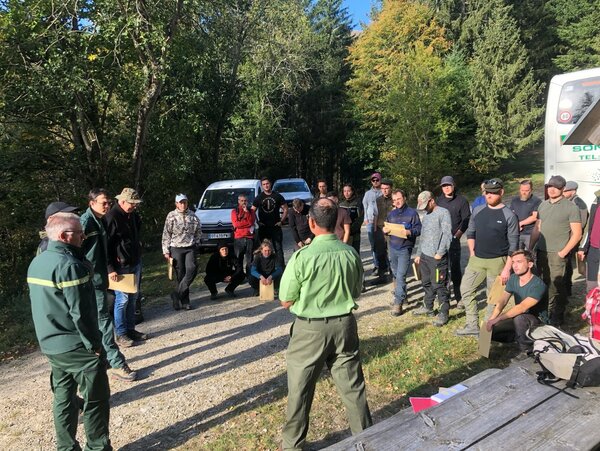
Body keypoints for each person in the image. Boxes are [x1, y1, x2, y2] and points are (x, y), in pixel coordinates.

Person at [279, 198, 372, 450]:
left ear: (311, 223)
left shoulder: (302, 257)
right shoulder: (350, 253)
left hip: (310, 328)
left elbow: (286, 300)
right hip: (344, 325)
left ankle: (292, 445)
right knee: (353, 387)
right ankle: (368, 439)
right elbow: (356, 291)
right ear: (335, 222)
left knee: (300, 388)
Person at [27, 213, 112, 451]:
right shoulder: (70, 266)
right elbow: (82, 314)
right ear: (66, 236)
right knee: (96, 398)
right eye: (80, 233)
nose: (84, 237)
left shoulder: (38, 262)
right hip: (75, 345)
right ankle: (97, 447)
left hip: (51, 345)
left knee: (63, 398)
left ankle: (65, 447)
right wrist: (96, 345)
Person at [81, 189, 137, 382]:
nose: (107, 206)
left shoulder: (101, 220)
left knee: (100, 320)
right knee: (104, 322)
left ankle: (103, 359)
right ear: (92, 203)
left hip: (101, 280)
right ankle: (116, 363)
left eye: (108, 202)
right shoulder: (85, 223)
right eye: (103, 202)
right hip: (91, 282)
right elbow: (76, 253)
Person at [455, 178, 519, 336]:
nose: (489, 195)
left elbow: (514, 246)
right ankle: (472, 325)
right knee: (466, 289)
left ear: (501, 193)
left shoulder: (509, 215)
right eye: (487, 192)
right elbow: (471, 232)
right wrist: (471, 252)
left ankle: (486, 330)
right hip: (477, 259)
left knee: (493, 298)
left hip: (498, 262)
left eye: (493, 192)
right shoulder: (478, 210)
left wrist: (507, 269)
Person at [529, 175, 582, 326]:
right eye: (549, 186)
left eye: (556, 187)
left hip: (558, 253)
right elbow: (537, 228)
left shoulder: (571, 207)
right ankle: (545, 311)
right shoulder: (543, 205)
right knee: (543, 282)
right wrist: (530, 247)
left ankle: (557, 315)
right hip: (541, 251)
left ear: (563, 189)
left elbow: (577, 233)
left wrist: (563, 252)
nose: (552, 189)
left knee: (557, 284)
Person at [105, 187, 147, 348]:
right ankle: (121, 334)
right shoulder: (111, 217)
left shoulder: (133, 215)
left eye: (136, 204)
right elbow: (106, 246)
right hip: (119, 267)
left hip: (135, 262)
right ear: (122, 201)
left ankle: (131, 330)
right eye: (132, 203)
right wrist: (110, 268)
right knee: (121, 300)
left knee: (133, 298)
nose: (134, 206)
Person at [486, 250, 547, 360]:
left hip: (538, 322)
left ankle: (527, 350)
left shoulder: (538, 285)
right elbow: (502, 300)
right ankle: (521, 338)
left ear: (530, 264)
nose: (515, 265)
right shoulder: (513, 278)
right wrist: (492, 319)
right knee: (492, 331)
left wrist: (498, 318)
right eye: (513, 262)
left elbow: (522, 307)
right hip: (521, 319)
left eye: (519, 262)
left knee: (520, 318)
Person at [413, 191, 452, 326]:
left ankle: (443, 312)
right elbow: (423, 236)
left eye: (425, 205)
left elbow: (447, 235)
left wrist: (440, 253)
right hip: (424, 256)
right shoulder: (427, 215)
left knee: (439, 285)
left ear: (432, 200)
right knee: (426, 282)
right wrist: (418, 254)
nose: (424, 208)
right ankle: (428, 307)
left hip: (437, 258)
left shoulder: (443, 213)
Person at [382, 189, 421, 316]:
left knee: (401, 275)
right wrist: (385, 230)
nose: (397, 202)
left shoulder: (412, 213)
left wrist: (409, 232)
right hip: (393, 247)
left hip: (405, 248)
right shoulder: (391, 214)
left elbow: (419, 229)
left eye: (398, 199)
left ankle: (398, 303)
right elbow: (386, 226)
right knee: (395, 274)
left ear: (404, 198)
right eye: (394, 200)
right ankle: (403, 297)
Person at [162, 193, 202, 310]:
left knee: (192, 268)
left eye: (185, 202)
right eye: (181, 202)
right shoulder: (171, 216)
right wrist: (166, 250)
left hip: (190, 247)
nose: (183, 204)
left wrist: (197, 243)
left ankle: (176, 294)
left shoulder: (193, 216)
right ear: (176, 204)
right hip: (176, 247)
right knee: (181, 274)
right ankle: (185, 301)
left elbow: (199, 231)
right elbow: (166, 234)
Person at [436, 176, 471, 304]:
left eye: (449, 185)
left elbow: (466, 219)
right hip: (440, 241)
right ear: (441, 187)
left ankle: (459, 296)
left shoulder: (462, 201)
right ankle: (443, 296)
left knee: (455, 268)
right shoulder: (438, 201)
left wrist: (458, 235)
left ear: (453, 185)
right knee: (441, 269)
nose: (446, 188)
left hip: (454, 239)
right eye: (444, 186)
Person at [252, 177, 288, 267]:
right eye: (263, 184)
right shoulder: (259, 197)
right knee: (264, 249)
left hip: (275, 226)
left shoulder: (277, 196)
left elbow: (286, 209)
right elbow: (252, 211)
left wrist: (282, 221)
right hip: (264, 227)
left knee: (278, 249)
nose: (266, 186)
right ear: (262, 185)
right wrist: (257, 221)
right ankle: (264, 268)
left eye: (267, 183)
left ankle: (281, 270)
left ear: (270, 184)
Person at [563, 181, 588, 296]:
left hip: (578, 241)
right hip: (571, 238)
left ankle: (592, 288)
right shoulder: (570, 202)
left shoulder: (579, 203)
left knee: (581, 268)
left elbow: (581, 224)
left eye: (565, 191)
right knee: (569, 265)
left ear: (572, 191)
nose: (563, 192)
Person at [509, 180, 542, 250]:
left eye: (527, 190)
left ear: (531, 190)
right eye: (522, 190)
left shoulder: (537, 201)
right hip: (517, 233)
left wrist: (520, 223)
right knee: (516, 254)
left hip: (530, 234)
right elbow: (511, 214)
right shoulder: (515, 200)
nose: (524, 192)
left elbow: (534, 217)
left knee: (531, 255)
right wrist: (515, 225)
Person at [372, 178, 394, 283]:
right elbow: (375, 215)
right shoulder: (378, 200)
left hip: (392, 229)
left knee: (392, 253)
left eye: (387, 188)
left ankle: (394, 275)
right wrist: (375, 229)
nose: (384, 190)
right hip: (380, 229)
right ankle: (382, 276)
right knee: (380, 253)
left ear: (391, 188)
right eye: (382, 188)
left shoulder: (395, 199)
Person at [578, 189, 600, 292]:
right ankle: (592, 305)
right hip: (594, 248)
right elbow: (589, 226)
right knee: (592, 284)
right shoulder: (597, 200)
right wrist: (583, 247)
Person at [231, 194, 257, 277]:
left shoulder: (251, 211)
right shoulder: (234, 211)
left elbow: (251, 222)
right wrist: (247, 223)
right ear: (238, 201)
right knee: (238, 259)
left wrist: (246, 213)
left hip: (249, 238)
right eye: (242, 201)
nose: (243, 202)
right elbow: (236, 224)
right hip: (238, 238)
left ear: (247, 201)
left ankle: (250, 276)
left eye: (245, 201)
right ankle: (239, 276)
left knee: (250, 259)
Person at [362, 172, 382, 274]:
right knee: (373, 244)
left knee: (384, 243)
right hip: (370, 221)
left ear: (380, 180)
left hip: (382, 222)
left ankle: (386, 264)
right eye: (373, 180)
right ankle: (376, 265)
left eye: (377, 180)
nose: (375, 182)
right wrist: (365, 219)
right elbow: (365, 206)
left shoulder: (384, 191)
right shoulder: (367, 194)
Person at [339, 183, 364, 254]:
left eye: (348, 191)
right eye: (344, 191)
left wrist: (351, 230)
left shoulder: (358, 203)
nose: (346, 193)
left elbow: (361, 218)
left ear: (352, 191)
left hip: (355, 233)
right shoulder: (340, 204)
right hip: (343, 233)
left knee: (355, 253)